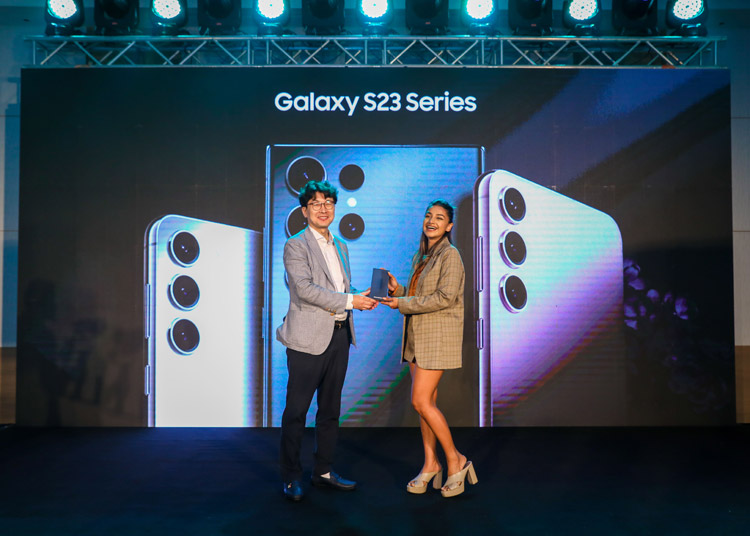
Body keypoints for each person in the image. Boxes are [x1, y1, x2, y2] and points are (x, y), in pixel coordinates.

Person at [277, 180, 378, 502]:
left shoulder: (341, 245)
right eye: (316, 203)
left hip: (339, 336)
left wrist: (362, 295)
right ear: (304, 211)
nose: (323, 209)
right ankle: (291, 476)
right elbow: (305, 289)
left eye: (329, 203)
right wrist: (350, 301)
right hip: (307, 340)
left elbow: (339, 288)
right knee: (296, 411)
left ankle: (323, 471)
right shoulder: (295, 245)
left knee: (330, 410)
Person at [381, 199, 478, 498]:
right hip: (417, 338)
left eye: (439, 218)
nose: (431, 221)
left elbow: (444, 297)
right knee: (427, 404)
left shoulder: (451, 255)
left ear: (449, 226)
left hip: (436, 339)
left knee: (421, 402)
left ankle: (456, 460)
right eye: (428, 216)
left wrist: (402, 302)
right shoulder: (422, 256)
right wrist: (398, 290)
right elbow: (419, 295)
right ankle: (430, 464)